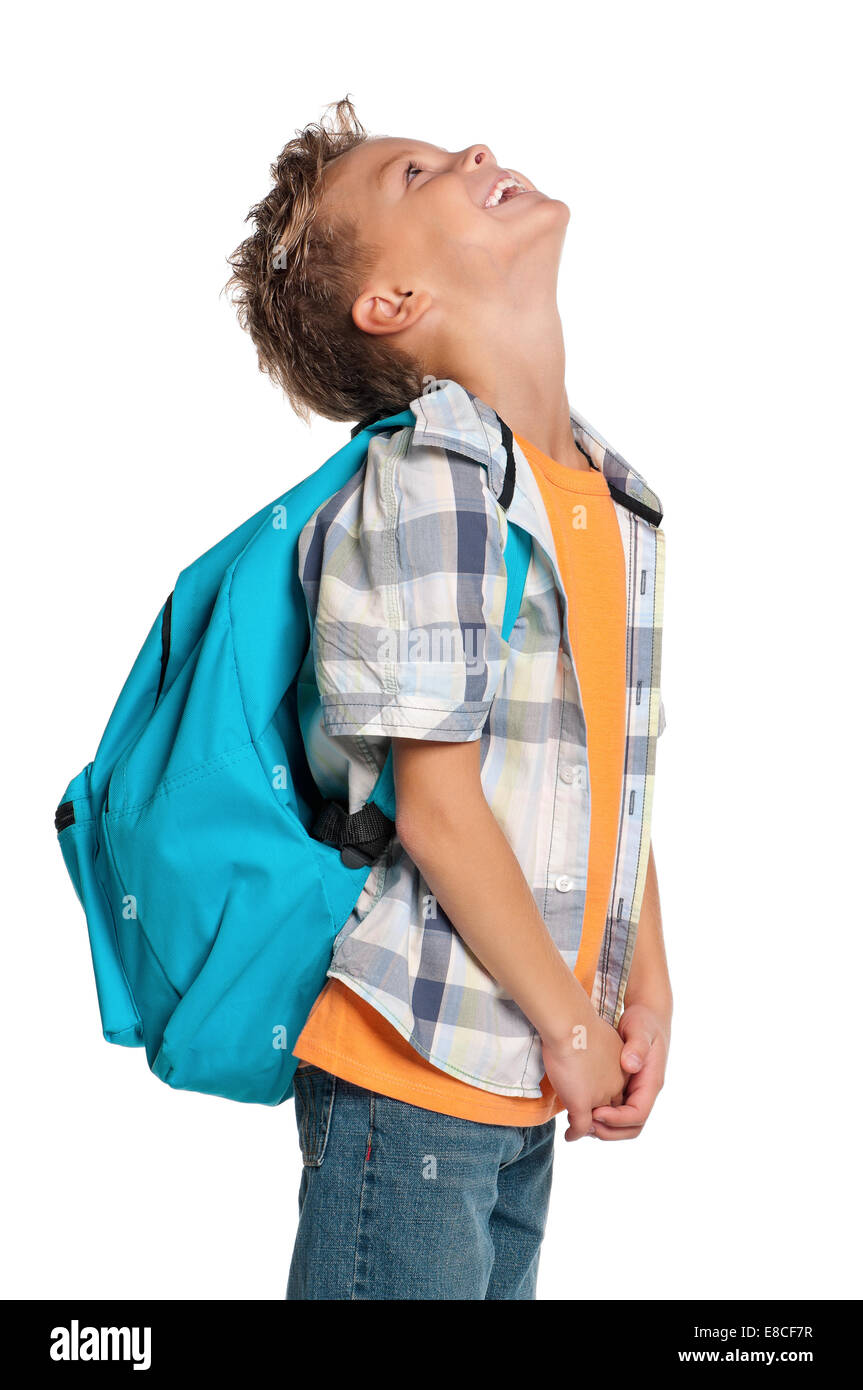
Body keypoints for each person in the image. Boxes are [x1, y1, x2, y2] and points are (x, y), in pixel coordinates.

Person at [226, 96, 672, 1301]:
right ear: (393, 307)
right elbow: (434, 805)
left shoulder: (598, 492)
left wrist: (639, 984)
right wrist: (574, 1028)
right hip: (410, 1073)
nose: (475, 150)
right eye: (416, 171)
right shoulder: (436, 476)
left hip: (513, 1066)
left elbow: (596, 770)